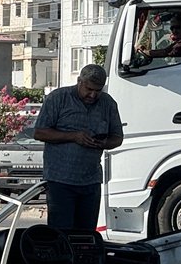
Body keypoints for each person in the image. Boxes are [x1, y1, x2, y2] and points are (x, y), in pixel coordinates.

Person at [33, 64, 123, 230]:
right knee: (61, 236)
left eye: (98, 90)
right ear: (79, 81)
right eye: (89, 89)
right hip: (60, 181)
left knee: (85, 237)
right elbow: (39, 133)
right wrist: (73, 136)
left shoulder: (108, 103)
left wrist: (104, 143)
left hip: (91, 182)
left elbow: (117, 138)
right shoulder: (58, 98)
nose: (93, 95)